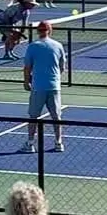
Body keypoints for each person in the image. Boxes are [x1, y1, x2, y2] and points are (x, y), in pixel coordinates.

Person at [21, 19, 66, 153]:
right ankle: (59, 143)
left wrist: (26, 81)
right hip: (54, 87)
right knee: (56, 117)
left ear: (37, 31)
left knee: (33, 117)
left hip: (38, 87)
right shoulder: (58, 45)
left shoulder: (33, 46)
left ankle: (30, 144)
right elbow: (62, 67)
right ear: (50, 31)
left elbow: (27, 67)